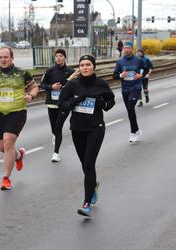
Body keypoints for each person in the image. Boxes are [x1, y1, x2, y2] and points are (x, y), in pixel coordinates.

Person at [58, 55, 115, 217]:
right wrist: (77, 100)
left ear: (93, 67)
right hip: (77, 129)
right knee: (85, 165)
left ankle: (86, 203)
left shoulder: (101, 84)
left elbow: (111, 102)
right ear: (79, 68)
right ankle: (93, 186)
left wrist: (102, 104)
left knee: (89, 164)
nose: (85, 67)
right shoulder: (72, 85)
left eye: (88, 64)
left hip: (95, 129)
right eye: (82, 65)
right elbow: (62, 104)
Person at [0, 45, 38, 190]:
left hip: (17, 112)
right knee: (2, 147)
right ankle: (19, 155)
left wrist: (31, 95)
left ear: (12, 58)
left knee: (8, 141)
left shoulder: (22, 73)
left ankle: (6, 178)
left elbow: (34, 87)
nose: (3, 59)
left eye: (6, 57)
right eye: (0, 57)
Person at [41, 49, 75, 162]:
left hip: (64, 104)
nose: (59, 58)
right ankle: (55, 135)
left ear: (65, 58)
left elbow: (76, 86)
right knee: (54, 128)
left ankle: (56, 153)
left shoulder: (71, 71)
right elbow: (42, 84)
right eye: (57, 56)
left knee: (58, 127)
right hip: (52, 103)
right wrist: (51, 87)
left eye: (61, 56)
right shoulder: (50, 71)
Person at [113, 41, 148, 143]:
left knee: (130, 107)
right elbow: (114, 75)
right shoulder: (120, 62)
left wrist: (140, 75)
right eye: (125, 48)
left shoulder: (138, 60)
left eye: (128, 48)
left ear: (132, 49)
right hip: (125, 89)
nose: (126, 50)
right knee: (130, 111)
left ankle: (133, 132)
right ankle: (136, 130)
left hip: (136, 87)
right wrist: (120, 75)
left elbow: (146, 69)